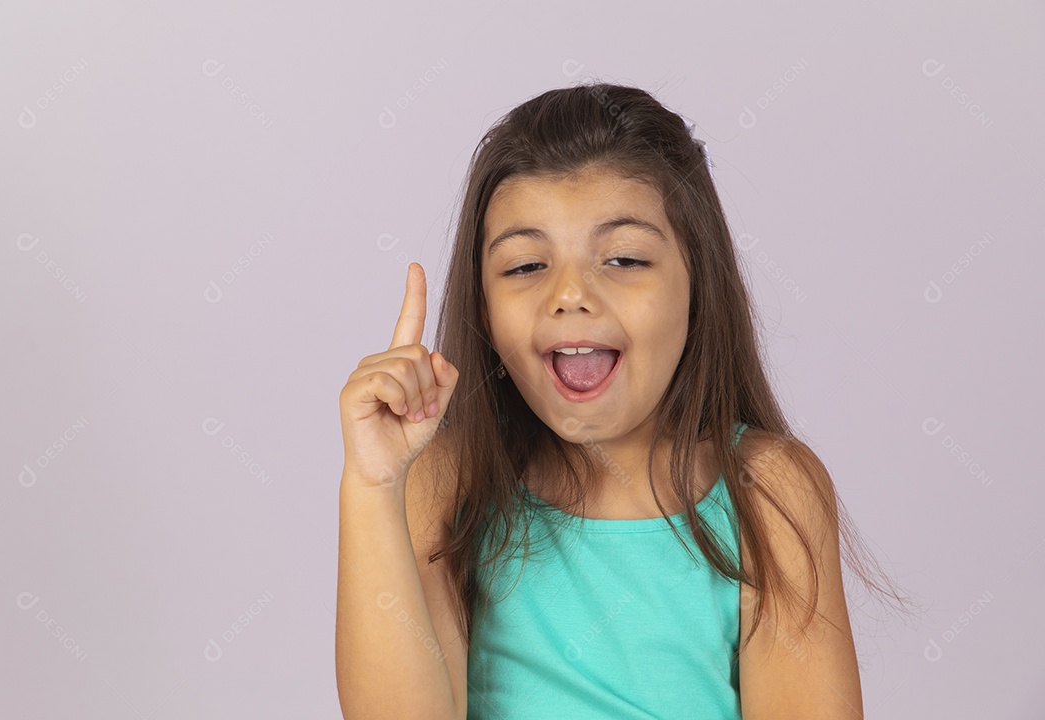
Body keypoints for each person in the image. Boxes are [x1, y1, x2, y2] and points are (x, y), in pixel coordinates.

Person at [336, 82, 913, 719]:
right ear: (484, 310)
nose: (570, 294)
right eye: (526, 266)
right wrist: (371, 485)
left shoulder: (769, 493)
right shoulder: (446, 483)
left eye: (624, 258)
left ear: (698, 285)